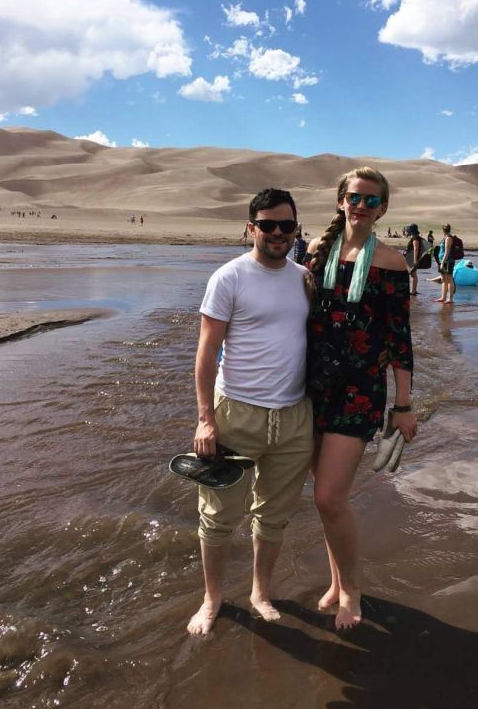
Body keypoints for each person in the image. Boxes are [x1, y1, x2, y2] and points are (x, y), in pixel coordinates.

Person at [188, 188, 314, 635]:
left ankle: (261, 592)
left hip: (295, 417)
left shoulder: (305, 278)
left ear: (296, 228)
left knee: (274, 516)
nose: (277, 233)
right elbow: (206, 353)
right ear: (250, 228)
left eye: (286, 225)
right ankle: (212, 598)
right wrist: (206, 418)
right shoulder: (229, 277)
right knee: (218, 516)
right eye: (267, 225)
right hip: (236, 413)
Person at [306, 167, 416, 630]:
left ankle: (351, 590)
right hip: (311, 386)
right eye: (355, 197)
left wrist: (403, 404)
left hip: (360, 390)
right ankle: (336, 580)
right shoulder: (316, 251)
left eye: (372, 200)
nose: (362, 206)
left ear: (383, 208)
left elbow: (399, 339)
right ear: (340, 201)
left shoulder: (392, 262)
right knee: (322, 498)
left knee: (331, 496)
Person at [403, 223, 427, 296]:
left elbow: (416, 249)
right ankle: (413, 290)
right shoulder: (416, 238)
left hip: (412, 260)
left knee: (413, 275)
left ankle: (413, 291)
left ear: (412, 231)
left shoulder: (415, 239)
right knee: (413, 275)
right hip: (411, 259)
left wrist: (415, 260)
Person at [436, 224, 456, 304]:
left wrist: (442, 262)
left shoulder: (448, 238)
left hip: (448, 261)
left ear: (443, 230)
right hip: (442, 260)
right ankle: (443, 297)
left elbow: (447, 252)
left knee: (449, 279)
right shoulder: (445, 238)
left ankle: (450, 298)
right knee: (443, 279)